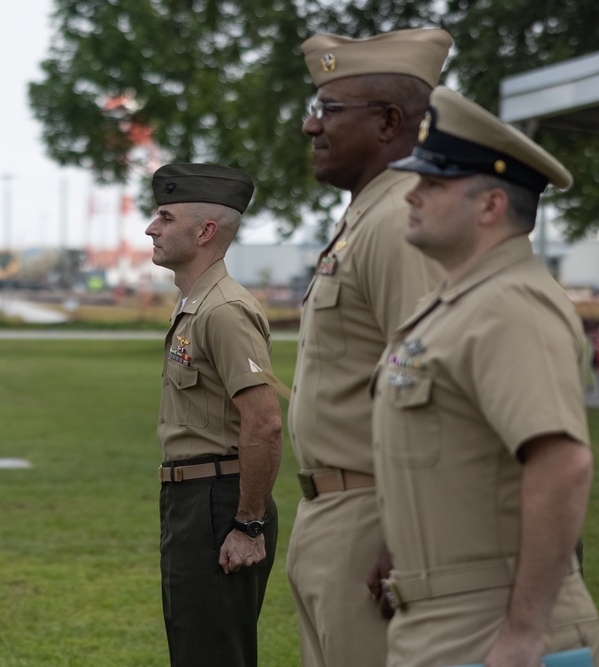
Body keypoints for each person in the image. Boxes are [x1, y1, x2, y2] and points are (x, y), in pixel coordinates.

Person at [372, 86, 599, 667]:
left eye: (433, 183)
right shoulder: (463, 301)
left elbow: (563, 465)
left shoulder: (511, 306)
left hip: (494, 624)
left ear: (491, 206)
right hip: (443, 619)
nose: (413, 194)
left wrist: (525, 631)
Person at [286, 28, 452, 667]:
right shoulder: (365, 218)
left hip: (374, 518)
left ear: (388, 122)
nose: (310, 126)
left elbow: (427, 382)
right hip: (332, 513)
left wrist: (407, 534)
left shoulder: (397, 222)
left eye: (328, 109)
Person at [146, 163, 284, 667]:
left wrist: (247, 525)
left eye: (165, 216)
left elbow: (265, 420)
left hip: (220, 501)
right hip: (193, 499)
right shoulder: (197, 305)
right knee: (195, 649)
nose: (150, 227)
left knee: (212, 654)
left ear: (205, 231)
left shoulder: (223, 310)